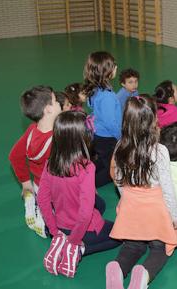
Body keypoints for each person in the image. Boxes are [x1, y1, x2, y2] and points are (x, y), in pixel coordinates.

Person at [106, 95, 177, 289]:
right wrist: (174, 216)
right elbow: (168, 188)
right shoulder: (160, 151)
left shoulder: (120, 147)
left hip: (131, 207)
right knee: (160, 249)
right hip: (155, 210)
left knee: (132, 246)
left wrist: (126, 201)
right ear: (152, 121)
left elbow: (119, 181)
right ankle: (143, 275)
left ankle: (117, 268)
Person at [38, 111, 120, 277]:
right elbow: (84, 213)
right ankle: (79, 249)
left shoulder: (49, 164)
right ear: (83, 139)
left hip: (60, 226)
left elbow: (42, 199)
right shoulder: (87, 168)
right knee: (119, 235)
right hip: (82, 231)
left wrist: (55, 232)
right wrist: (75, 239)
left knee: (100, 203)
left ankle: (60, 243)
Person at [8, 85, 61, 238]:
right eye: (55, 101)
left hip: (39, 185)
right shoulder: (56, 138)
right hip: (56, 190)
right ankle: (45, 225)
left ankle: (38, 205)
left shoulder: (32, 130)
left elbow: (14, 156)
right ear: (48, 109)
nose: (59, 103)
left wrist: (25, 183)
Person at [83, 51, 121, 187]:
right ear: (106, 71)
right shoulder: (107, 96)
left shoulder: (96, 88)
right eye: (113, 66)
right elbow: (110, 122)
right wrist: (120, 136)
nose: (116, 67)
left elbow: (91, 105)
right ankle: (86, 185)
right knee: (112, 170)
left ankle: (83, 173)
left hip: (98, 133)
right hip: (108, 137)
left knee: (104, 159)